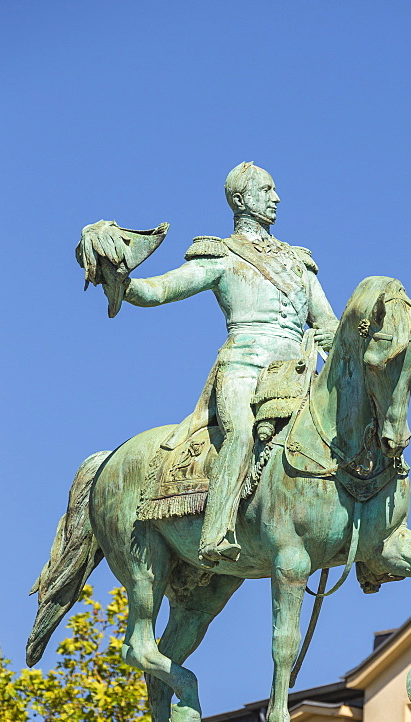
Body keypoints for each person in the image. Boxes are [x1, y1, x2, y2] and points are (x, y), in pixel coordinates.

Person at [120, 162, 339, 565]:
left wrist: (341, 335)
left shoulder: (298, 262)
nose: (276, 198)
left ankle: (367, 539)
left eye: (275, 191)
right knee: (240, 435)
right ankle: (216, 530)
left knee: (346, 432)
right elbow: (159, 290)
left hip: (298, 370)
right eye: (267, 190)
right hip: (244, 367)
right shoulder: (221, 255)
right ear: (241, 200)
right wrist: (121, 281)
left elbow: (327, 321)